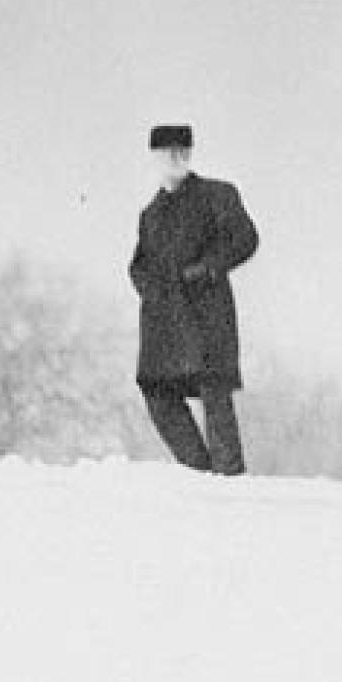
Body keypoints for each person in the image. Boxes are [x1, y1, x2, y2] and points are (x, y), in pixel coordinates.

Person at [127, 124, 259, 475]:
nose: (177, 158)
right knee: (158, 396)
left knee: (214, 394)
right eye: (169, 152)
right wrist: (150, 290)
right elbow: (137, 264)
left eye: (183, 151)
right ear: (154, 158)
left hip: (206, 316)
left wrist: (209, 268)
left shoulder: (218, 195)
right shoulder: (151, 214)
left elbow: (245, 238)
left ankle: (229, 480)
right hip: (164, 324)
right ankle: (199, 473)